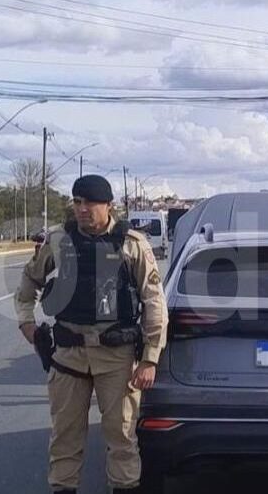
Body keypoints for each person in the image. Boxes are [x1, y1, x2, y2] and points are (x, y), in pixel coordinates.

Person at [14, 175, 168, 494]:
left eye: (90, 203)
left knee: (122, 437)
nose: (83, 209)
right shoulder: (58, 240)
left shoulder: (132, 244)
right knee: (65, 437)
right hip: (69, 354)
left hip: (117, 357)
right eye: (77, 202)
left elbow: (154, 302)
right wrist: (25, 321)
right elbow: (29, 281)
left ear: (108, 205)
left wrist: (150, 358)